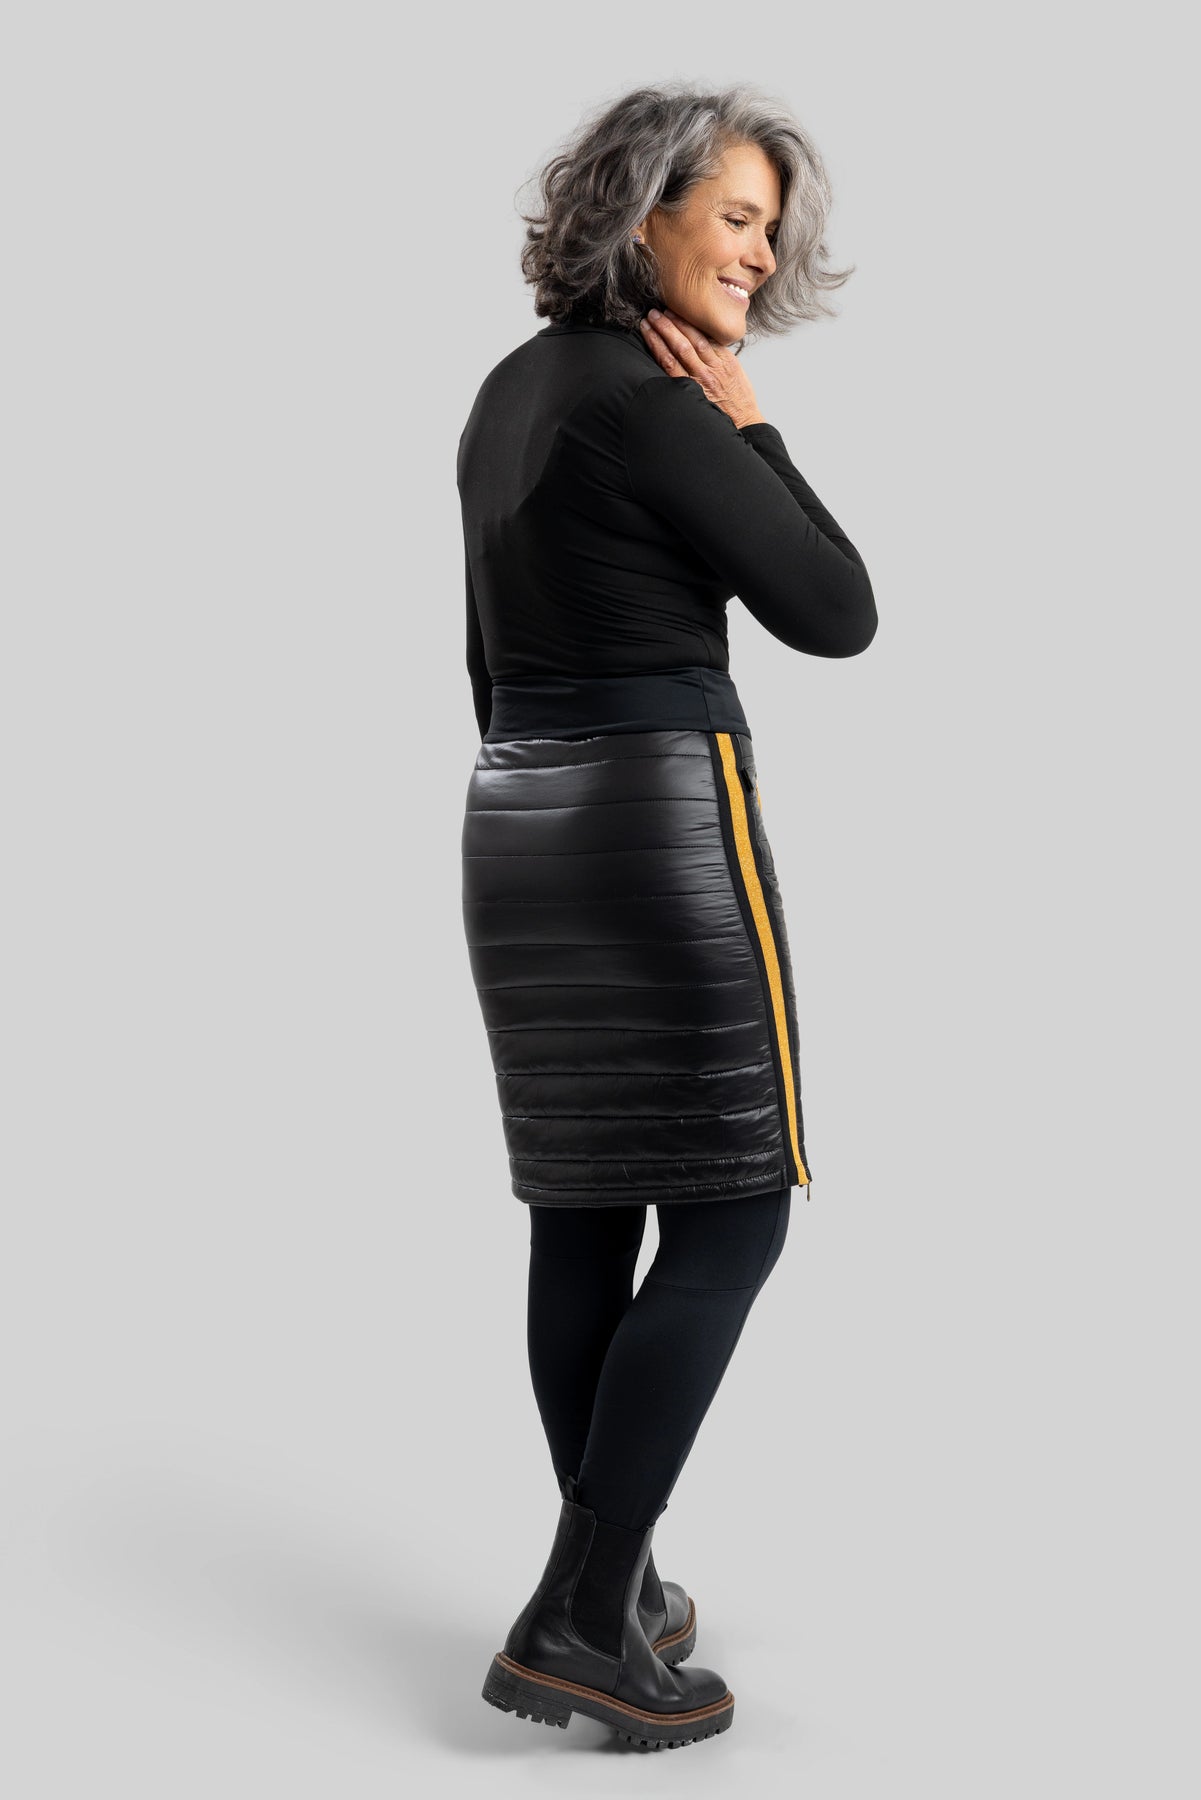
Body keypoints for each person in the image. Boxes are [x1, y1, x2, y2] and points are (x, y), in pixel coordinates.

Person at [457, 80, 877, 1751]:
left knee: (582, 1215)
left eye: (770, 229)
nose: (758, 253)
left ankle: (608, 1577)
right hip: (654, 817)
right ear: (644, 216)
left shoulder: (510, 390)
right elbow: (835, 610)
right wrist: (753, 426)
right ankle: (580, 1607)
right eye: (736, 218)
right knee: (729, 1218)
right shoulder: (657, 399)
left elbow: (484, 656)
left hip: (515, 818)